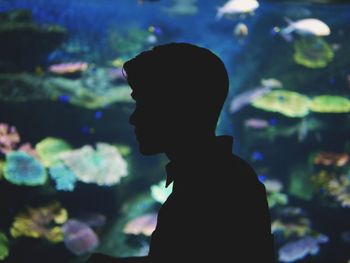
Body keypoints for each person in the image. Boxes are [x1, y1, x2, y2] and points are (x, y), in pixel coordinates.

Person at [88, 42, 275, 263]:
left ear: (177, 109)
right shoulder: (219, 175)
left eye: (144, 104)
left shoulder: (213, 185)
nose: (134, 117)